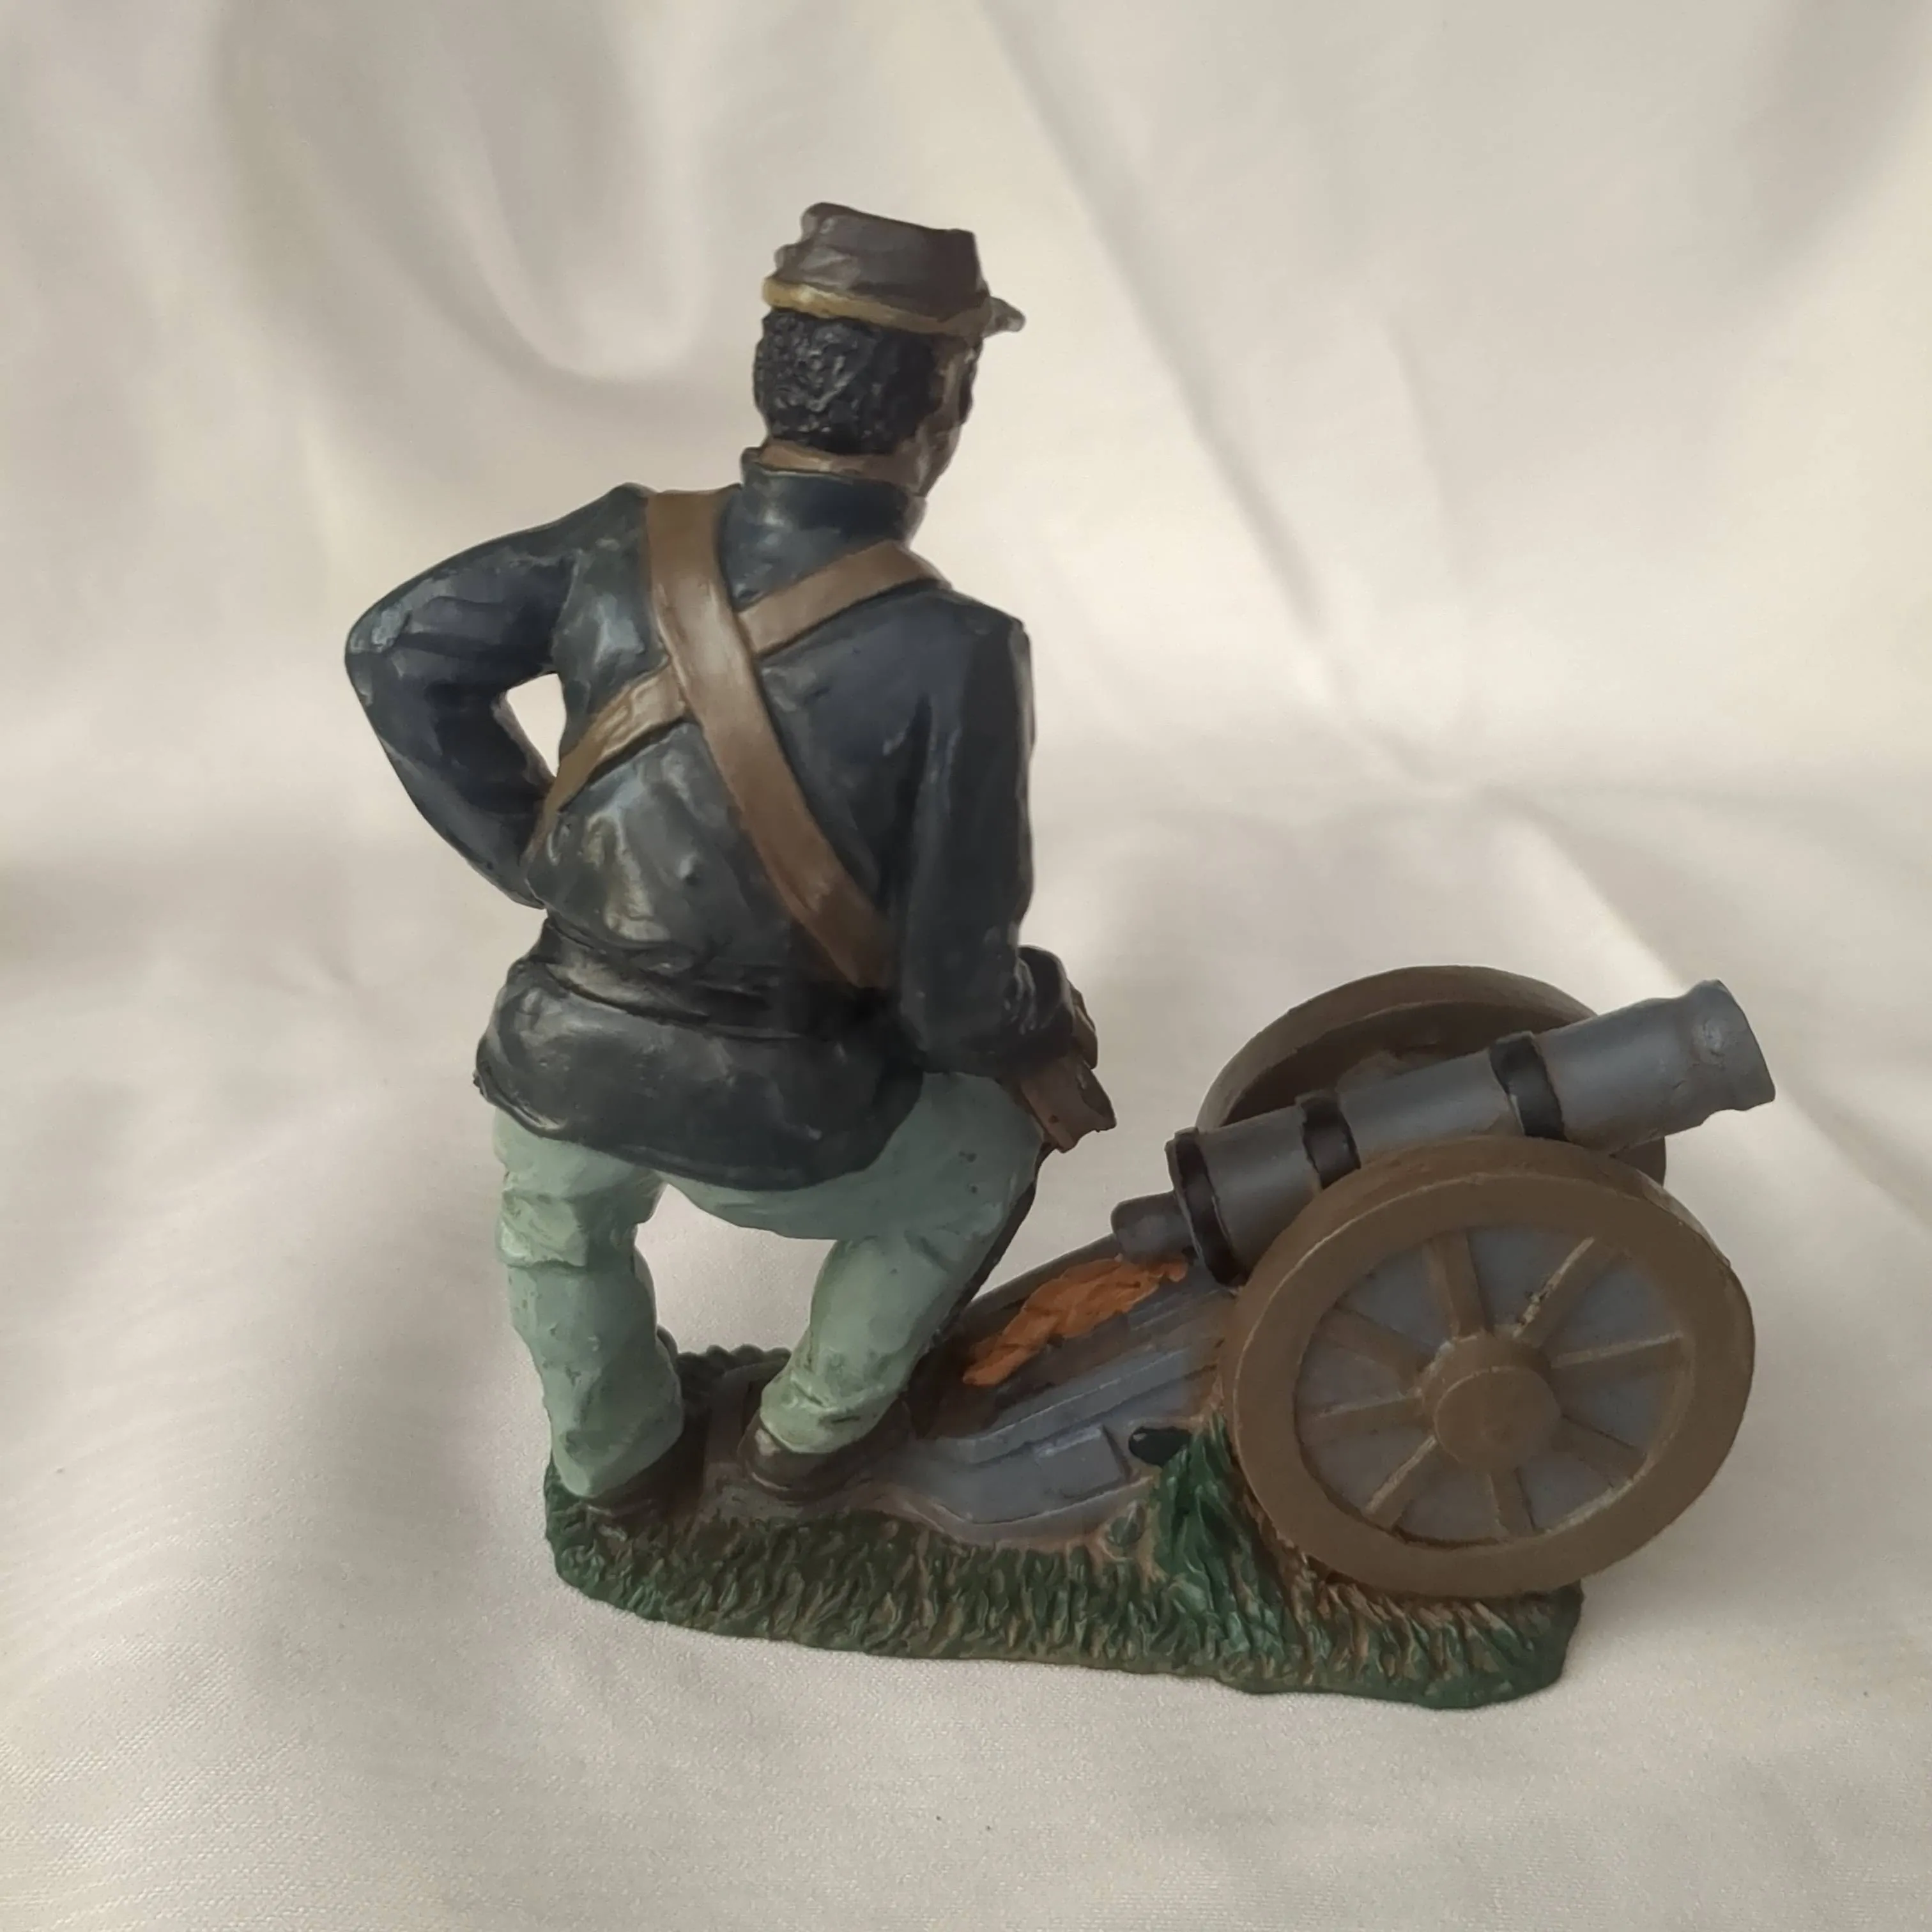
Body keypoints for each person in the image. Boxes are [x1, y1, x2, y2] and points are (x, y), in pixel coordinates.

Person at [345, 203, 1110, 1528]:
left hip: (554, 1054)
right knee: (985, 1152)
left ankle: (613, 1467)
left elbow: (395, 651)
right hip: (782, 1107)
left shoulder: (612, 541)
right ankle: (805, 1444)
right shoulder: (963, 654)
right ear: (947, 400)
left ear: (775, 373)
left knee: (559, 1226)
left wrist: (537, 865)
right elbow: (950, 1003)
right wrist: (1044, 1014)